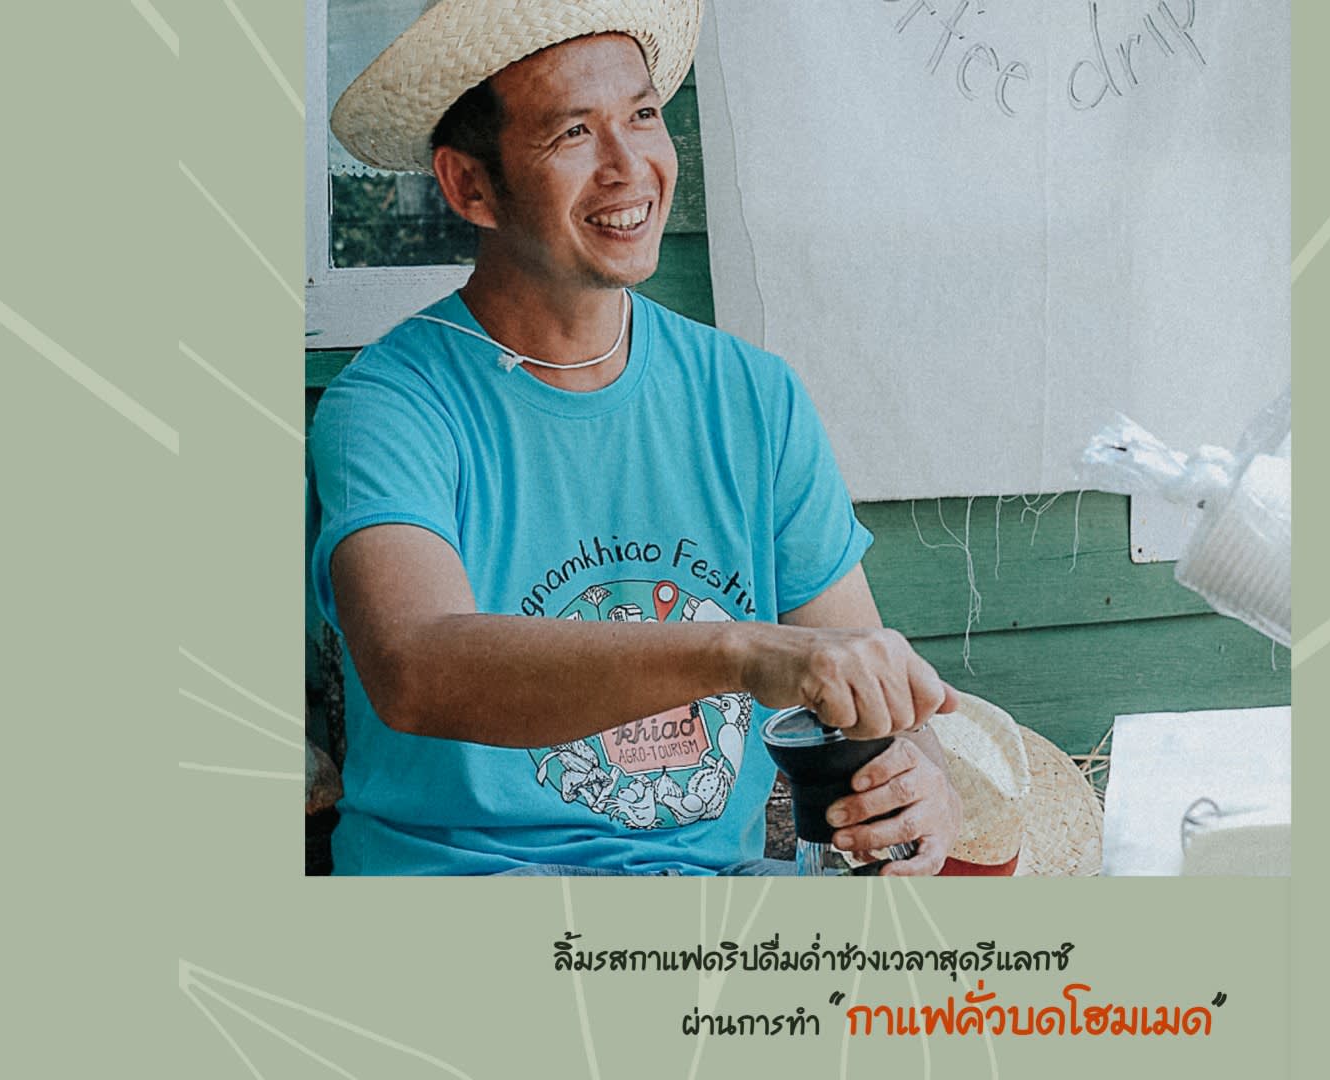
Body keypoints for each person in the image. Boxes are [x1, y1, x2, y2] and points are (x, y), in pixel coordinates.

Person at [310, 0, 962, 875]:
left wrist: (920, 780)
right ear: (469, 186)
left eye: (644, 115)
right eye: (573, 132)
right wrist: (742, 649)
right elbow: (416, 665)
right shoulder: (391, 403)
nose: (629, 167)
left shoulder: (752, 396)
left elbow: (869, 693)